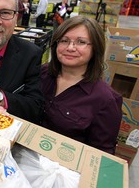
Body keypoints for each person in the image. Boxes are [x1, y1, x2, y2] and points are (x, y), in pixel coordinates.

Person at [40, 15, 122, 154]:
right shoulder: (42, 73)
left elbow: (102, 152)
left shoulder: (106, 100)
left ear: (95, 48)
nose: (70, 48)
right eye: (64, 40)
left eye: (81, 42)